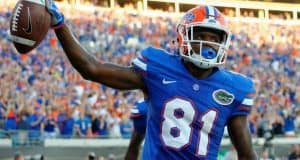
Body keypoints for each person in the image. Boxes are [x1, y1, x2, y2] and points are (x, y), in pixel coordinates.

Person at [45, 1, 257, 159]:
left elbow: (247, 156)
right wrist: (60, 26)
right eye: (201, 35)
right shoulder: (159, 67)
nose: (208, 44)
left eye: (214, 38)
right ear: (185, 36)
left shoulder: (234, 89)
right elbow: (92, 69)